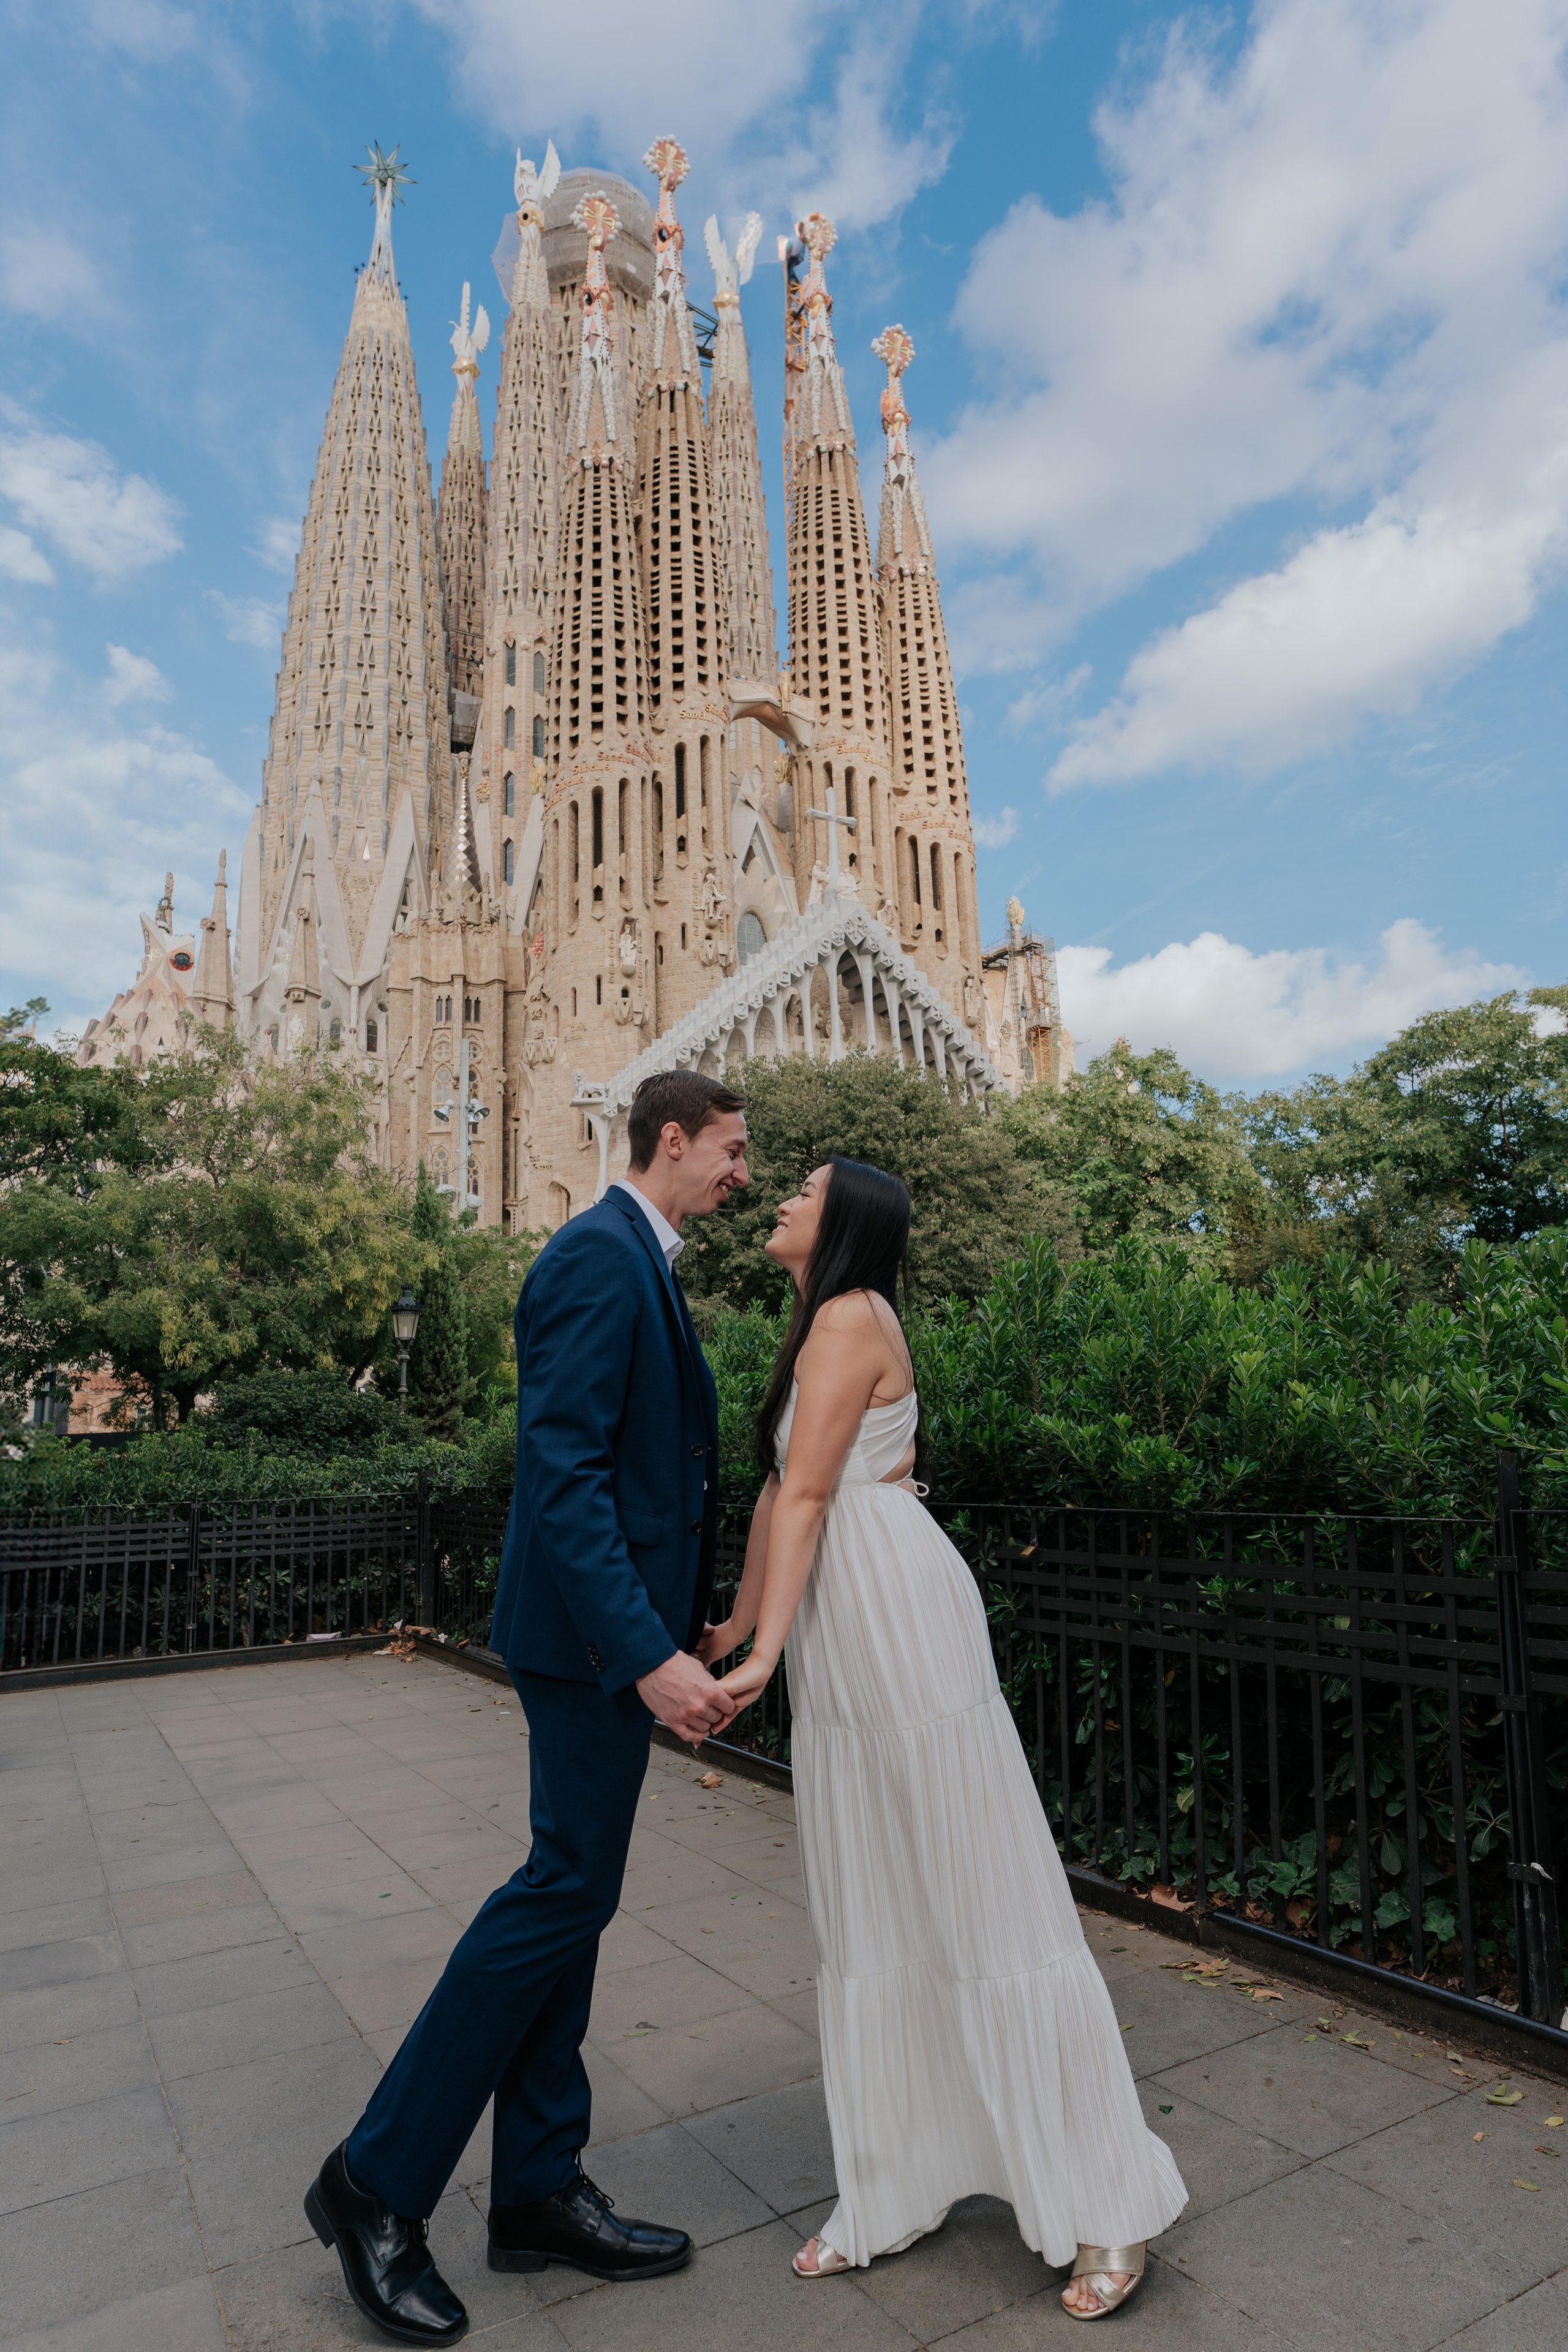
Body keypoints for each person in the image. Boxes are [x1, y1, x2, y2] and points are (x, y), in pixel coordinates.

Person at [305, 1071, 748, 2348]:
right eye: (728, 1149)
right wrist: (641, 1656)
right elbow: (561, 1479)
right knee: (557, 1893)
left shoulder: (637, 1262)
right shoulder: (595, 1256)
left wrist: (684, 1624)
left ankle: (537, 2189)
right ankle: (374, 2184)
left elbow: (646, 1472)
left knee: (575, 1899)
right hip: (583, 1650)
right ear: (672, 1138)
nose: (739, 1173)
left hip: (609, 1644)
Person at [703, 1156, 1188, 2321]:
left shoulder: (850, 1317)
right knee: (874, 1908)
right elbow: (779, 1496)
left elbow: (815, 1497)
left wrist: (763, 1658)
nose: (778, 1201)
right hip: (848, 1623)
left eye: (802, 1192)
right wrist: (736, 1621)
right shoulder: (818, 1323)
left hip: (895, 1619)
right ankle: (895, 2187)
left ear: (847, 1223)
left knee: (983, 1897)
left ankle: (1104, 2202)